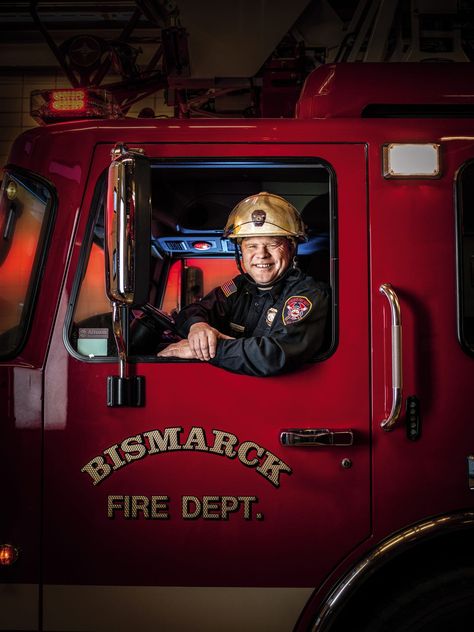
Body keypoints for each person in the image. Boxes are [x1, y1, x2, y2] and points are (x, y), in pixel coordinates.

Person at [157, 192, 329, 376]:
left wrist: (205, 350)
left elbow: (274, 355)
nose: (261, 254)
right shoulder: (240, 287)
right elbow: (193, 311)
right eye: (251, 246)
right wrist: (198, 327)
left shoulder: (308, 295)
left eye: (272, 244)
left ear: (291, 247)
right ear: (241, 251)